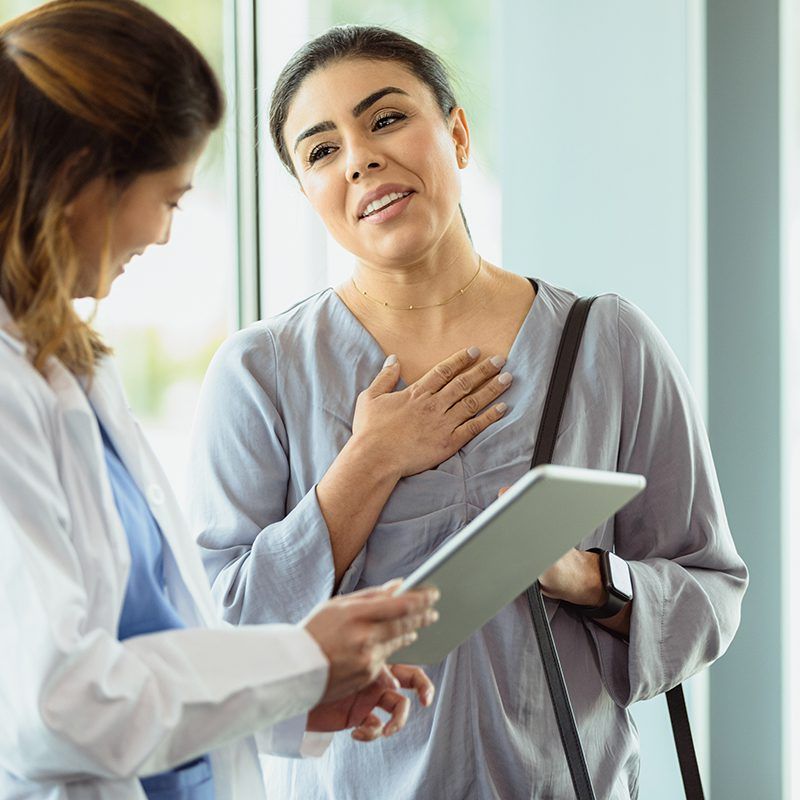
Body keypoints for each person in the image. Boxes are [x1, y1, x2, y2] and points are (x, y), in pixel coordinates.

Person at [189, 24, 748, 800]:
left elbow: (709, 592)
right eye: (321, 151)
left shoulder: (607, 343)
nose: (360, 158)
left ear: (455, 132)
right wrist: (369, 462)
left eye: (386, 119)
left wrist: (588, 576)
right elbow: (227, 643)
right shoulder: (260, 373)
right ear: (307, 193)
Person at [0, 6, 445, 800]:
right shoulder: (17, 393)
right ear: (80, 180)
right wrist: (299, 662)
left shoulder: (64, 369)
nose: (166, 234)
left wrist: (300, 696)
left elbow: (155, 636)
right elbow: (52, 707)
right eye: (168, 198)